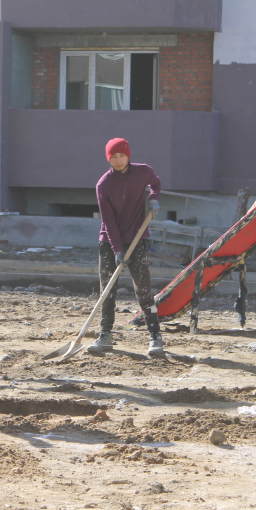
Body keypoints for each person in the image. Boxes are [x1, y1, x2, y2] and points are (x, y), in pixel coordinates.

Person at [88, 137, 163, 356]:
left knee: (144, 289)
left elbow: (155, 183)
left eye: (121, 155)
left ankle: (155, 336)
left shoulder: (143, 172)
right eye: (113, 157)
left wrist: (154, 199)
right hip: (110, 241)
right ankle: (105, 335)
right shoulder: (103, 185)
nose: (118, 160)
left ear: (128, 155)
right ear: (108, 158)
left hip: (137, 238)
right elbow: (108, 220)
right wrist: (117, 249)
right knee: (108, 289)